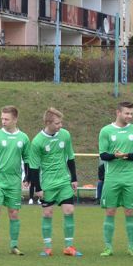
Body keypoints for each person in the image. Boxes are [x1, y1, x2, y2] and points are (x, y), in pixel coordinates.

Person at [29, 107, 82, 257]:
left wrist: (74, 178)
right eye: (57, 123)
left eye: (61, 122)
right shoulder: (38, 141)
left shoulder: (65, 135)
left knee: (69, 211)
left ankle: (69, 247)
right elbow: (34, 167)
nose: (60, 126)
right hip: (47, 183)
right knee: (47, 214)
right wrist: (37, 188)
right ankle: (47, 247)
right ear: (48, 123)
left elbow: (70, 157)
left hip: (64, 181)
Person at [98, 101, 133, 257]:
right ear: (118, 112)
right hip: (111, 177)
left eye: (131, 113)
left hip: (129, 178)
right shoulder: (106, 131)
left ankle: (131, 248)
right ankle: (108, 248)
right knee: (110, 211)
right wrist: (115, 156)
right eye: (127, 113)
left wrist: (125, 155)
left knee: (130, 211)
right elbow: (103, 154)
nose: (129, 116)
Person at [0, 106, 30, 256]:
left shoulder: (24, 138)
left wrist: (27, 177)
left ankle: (14, 246)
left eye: (6, 119)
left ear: (15, 119)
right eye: (2, 118)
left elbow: (27, 159)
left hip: (14, 182)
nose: (3, 121)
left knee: (14, 213)